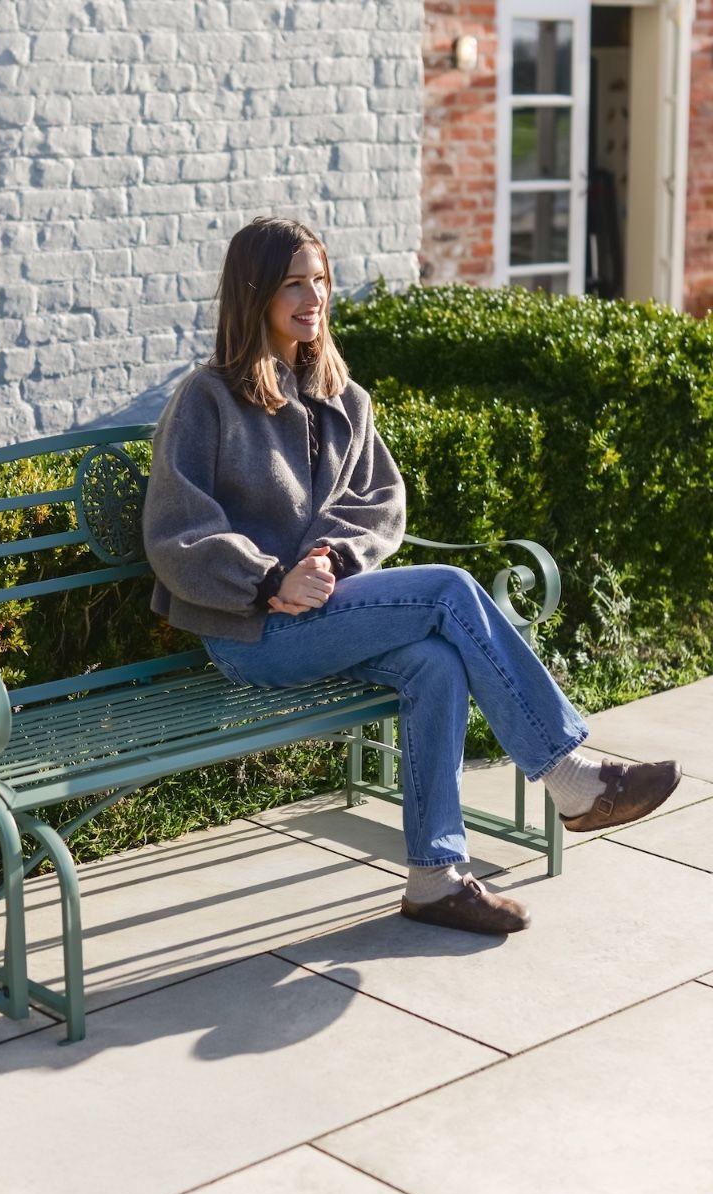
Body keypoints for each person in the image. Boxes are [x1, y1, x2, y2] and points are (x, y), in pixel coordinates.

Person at [141, 216, 681, 935]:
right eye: (294, 283)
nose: (314, 297)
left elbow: (379, 504)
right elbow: (176, 534)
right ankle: (570, 777)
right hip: (251, 631)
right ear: (254, 292)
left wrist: (328, 561)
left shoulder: (344, 399)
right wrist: (272, 580)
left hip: (328, 614)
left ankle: (435, 878)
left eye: (321, 281)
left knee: (435, 665)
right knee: (451, 591)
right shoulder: (205, 400)